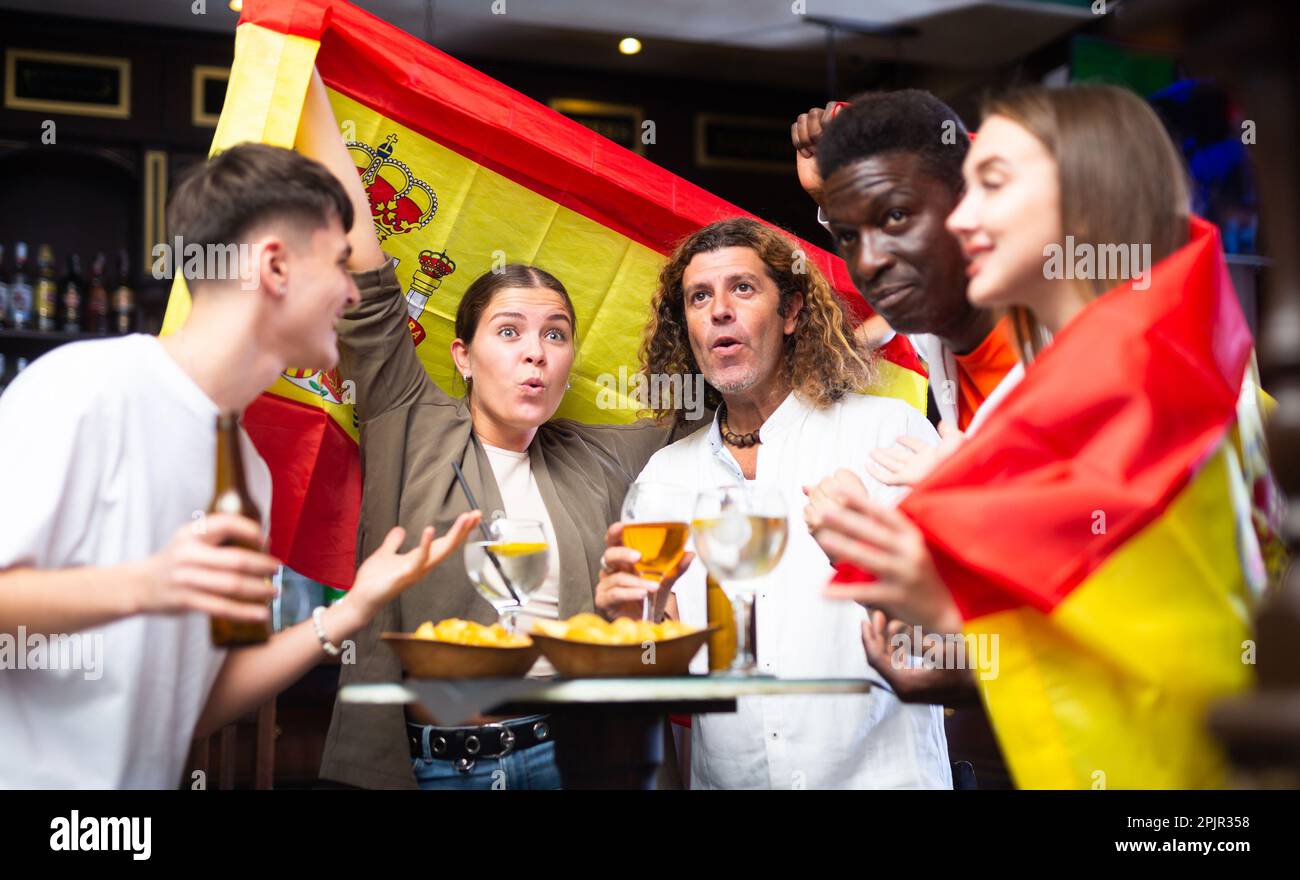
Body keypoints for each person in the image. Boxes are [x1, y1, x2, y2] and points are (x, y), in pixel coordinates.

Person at [805, 84, 1263, 788]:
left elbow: (1187, 648)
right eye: (845, 236)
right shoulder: (963, 347)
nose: (969, 217)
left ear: (1084, 196)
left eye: (991, 184)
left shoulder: (1146, 370)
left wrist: (949, 595)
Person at [0, 138, 480, 789]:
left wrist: (350, 611)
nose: (351, 293)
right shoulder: (86, 387)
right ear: (276, 267)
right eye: (341, 264)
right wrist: (148, 585)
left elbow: (195, 709)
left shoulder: (246, 467)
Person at [303, 71, 696, 791]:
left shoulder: (607, 452)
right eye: (509, 331)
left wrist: (871, 323)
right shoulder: (408, 420)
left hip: (573, 761)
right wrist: (303, 76)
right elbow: (365, 272)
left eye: (555, 335)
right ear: (464, 355)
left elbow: (731, 380)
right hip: (433, 764)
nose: (535, 352)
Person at [596, 216, 952, 789]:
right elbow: (660, 670)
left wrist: (866, 562)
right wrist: (628, 629)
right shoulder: (663, 479)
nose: (718, 310)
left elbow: (960, 641)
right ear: (685, 327)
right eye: (698, 297)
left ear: (789, 313)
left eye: (742, 288)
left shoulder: (889, 435)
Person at [792, 91, 1020, 786]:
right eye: (846, 237)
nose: (871, 262)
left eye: (894, 218)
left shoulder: (1079, 363)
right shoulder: (940, 331)